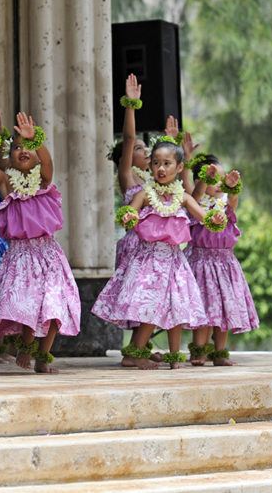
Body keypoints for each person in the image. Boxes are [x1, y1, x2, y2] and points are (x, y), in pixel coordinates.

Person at [92, 138, 227, 369]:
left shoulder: (183, 197)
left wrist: (215, 218)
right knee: (149, 305)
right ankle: (135, 353)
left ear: (179, 167)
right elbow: (129, 213)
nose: (161, 168)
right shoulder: (145, 193)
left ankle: (174, 358)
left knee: (176, 306)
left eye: (167, 163)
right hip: (148, 260)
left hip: (174, 261)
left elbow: (202, 217)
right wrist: (128, 216)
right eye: (156, 163)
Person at [0, 112, 81, 374]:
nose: (23, 150)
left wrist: (36, 140)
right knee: (26, 304)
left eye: (28, 147)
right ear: (9, 157)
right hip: (20, 256)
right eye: (17, 147)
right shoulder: (7, 183)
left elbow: (48, 161)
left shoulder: (43, 180)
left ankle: (44, 355)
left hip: (48, 254)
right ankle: (26, 345)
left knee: (55, 305)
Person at [186, 154, 259, 365]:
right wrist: (203, 180)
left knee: (223, 310)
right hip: (201, 264)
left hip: (225, 265)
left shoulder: (225, 204)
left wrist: (230, 187)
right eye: (212, 179)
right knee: (205, 310)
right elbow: (196, 194)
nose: (217, 184)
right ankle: (198, 351)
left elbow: (233, 201)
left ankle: (219, 353)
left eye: (221, 178)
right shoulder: (197, 205)